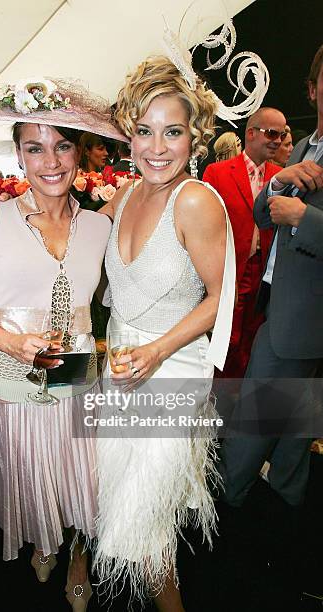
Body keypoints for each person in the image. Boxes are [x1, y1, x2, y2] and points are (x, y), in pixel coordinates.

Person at [0, 77, 126, 611]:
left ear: (79, 151)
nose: (51, 161)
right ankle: (45, 538)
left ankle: (76, 554)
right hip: (12, 383)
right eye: (34, 148)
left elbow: (111, 301)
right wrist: (11, 342)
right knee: (30, 478)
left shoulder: (98, 226)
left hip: (78, 384)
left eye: (63, 145)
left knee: (82, 484)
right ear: (18, 156)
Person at [93, 55, 236, 611]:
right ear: (129, 135)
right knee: (136, 519)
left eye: (172, 132)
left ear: (193, 136)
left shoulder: (196, 200)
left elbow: (222, 297)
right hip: (122, 369)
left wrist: (158, 349)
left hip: (171, 370)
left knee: (143, 522)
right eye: (145, 131)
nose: (157, 147)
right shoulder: (123, 196)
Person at [219, 43, 323, 602]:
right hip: (279, 306)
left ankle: (230, 509)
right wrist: (281, 190)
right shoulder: (302, 148)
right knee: (293, 433)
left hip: (301, 318)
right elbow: (263, 213)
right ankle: (284, 513)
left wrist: (304, 217)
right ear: (312, 89)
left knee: (253, 426)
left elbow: (294, 222)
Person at [203, 108, 284, 378]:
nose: (278, 140)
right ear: (251, 133)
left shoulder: (281, 176)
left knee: (255, 341)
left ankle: (245, 406)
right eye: (272, 133)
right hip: (228, 273)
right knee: (226, 341)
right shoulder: (217, 172)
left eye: (282, 135)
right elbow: (205, 230)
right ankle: (217, 405)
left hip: (265, 275)